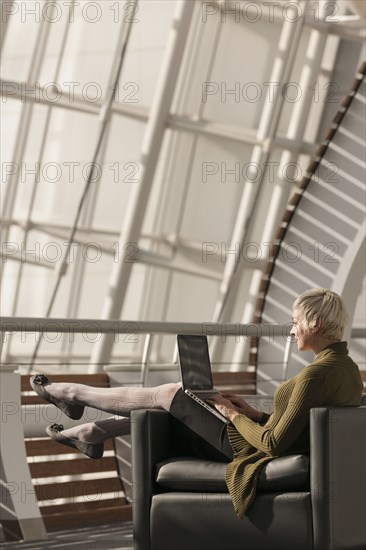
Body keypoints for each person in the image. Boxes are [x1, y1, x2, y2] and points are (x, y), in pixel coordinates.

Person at [30, 288, 364, 519]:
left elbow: (273, 443)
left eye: (295, 322)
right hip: (270, 444)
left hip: (244, 449)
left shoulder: (313, 376)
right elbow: (300, 426)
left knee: (169, 394)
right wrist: (253, 413)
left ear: (314, 324)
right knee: (176, 399)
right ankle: (90, 431)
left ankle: (72, 395)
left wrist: (232, 414)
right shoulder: (348, 371)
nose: (291, 331)